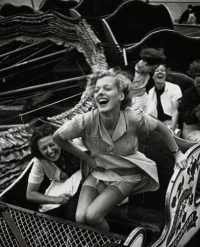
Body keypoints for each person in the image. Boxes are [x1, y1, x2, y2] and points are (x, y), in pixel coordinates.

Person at [53, 70, 187, 232]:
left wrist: (177, 153)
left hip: (126, 176)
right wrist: (87, 158)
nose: (100, 92)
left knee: (93, 216)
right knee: (80, 218)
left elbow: (161, 128)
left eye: (107, 88)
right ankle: (96, 246)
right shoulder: (84, 121)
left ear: (121, 96)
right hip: (98, 173)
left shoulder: (133, 118)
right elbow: (57, 138)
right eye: (96, 90)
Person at [26, 123, 82, 221]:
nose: (50, 151)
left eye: (52, 145)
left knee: (72, 212)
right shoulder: (40, 161)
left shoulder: (75, 143)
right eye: (43, 148)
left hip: (86, 180)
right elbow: (30, 194)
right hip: (65, 187)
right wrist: (56, 199)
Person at [124, 47, 166, 117]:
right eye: (152, 69)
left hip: (145, 98)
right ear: (145, 64)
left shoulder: (149, 73)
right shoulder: (127, 72)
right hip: (132, 101)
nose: (153, 71)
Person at [148, 63, 182, 134]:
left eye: (163, 70)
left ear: (165, 75)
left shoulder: (174, 88)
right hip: (157, 127)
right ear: (152, 76)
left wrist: (172, 129)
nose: (160, 72)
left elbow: (175, 111)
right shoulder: (150, 92)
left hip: (171, 125)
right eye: (157, 70)